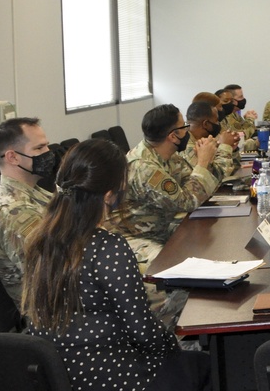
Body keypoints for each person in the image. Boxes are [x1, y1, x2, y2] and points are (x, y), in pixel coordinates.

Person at [21, 139, 210, 391]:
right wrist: (172, 344)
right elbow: (142, 332)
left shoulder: (38, 240)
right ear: (109, 195)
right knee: (206, 365)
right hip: (116, 375)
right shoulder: (108, 247)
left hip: (57, 374)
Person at [112, 104, 221, 268]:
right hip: (135, 236)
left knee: (209, 240)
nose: (188, 132)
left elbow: (202, 188)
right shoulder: (145, 167)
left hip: (160, 225)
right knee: (171, 266)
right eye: (184, 127)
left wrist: (207, 160)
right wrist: (203, 162)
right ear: (173, 136)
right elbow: (188, 202)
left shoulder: (168, 156)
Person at [0, 117, 54, 306]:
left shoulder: (36, 192)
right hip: (52, 310)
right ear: (12, 157)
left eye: (47, 146)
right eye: (39, 148)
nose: (48, 153)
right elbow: (50, 272)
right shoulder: (15, 211)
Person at [183, 99, 239, 181]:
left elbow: (233, 169)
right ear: (206, 124)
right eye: (216, 121)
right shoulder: (187, 146)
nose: (218, 124)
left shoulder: (205, 139)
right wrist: (225, 147)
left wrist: (232, 149)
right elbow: (213, 178)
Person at [223, 83, 259, 152]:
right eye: (240, 97)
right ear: (232, 101)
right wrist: (250, 119)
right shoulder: (228, 116)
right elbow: (242, 136)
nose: (243, 99)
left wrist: (247, 119)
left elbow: (244, 128)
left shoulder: (235, 113)